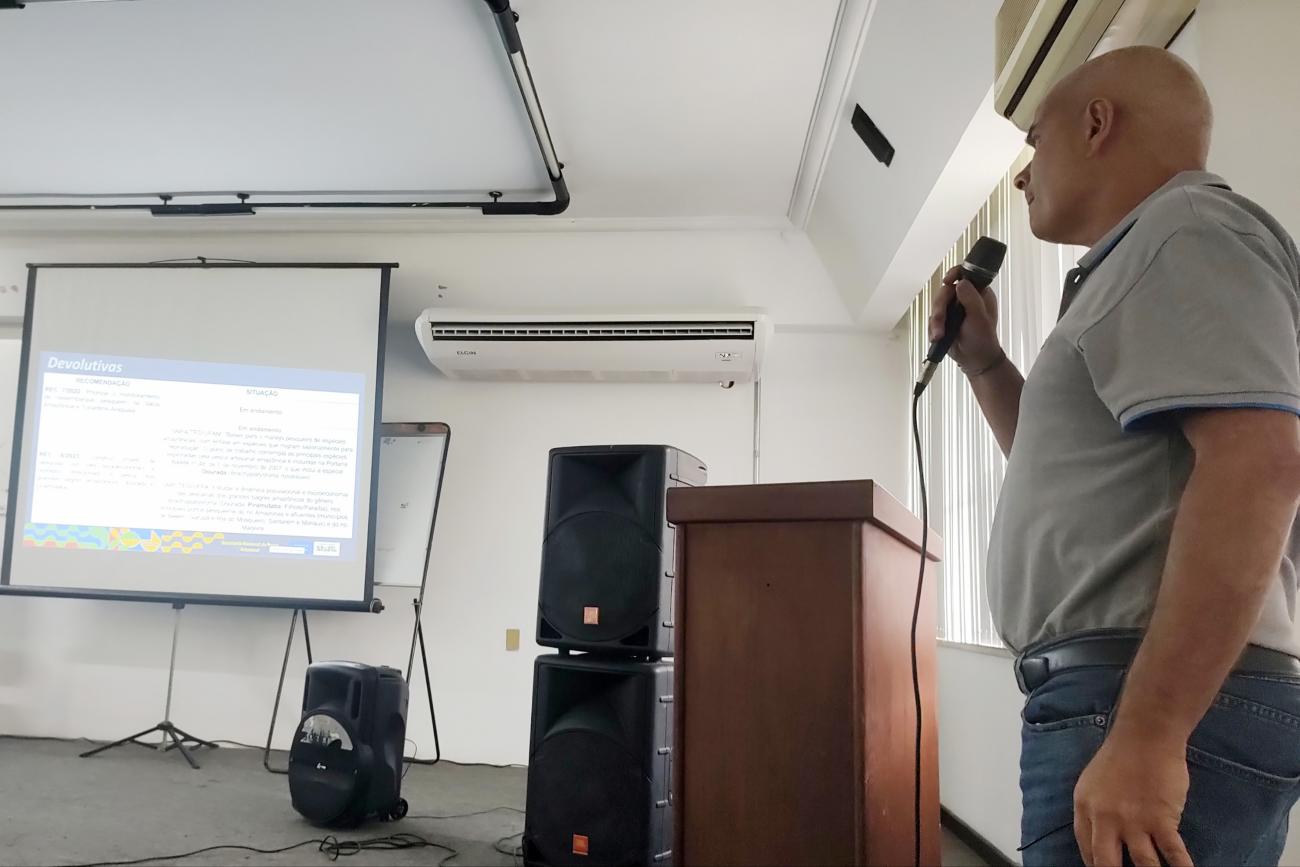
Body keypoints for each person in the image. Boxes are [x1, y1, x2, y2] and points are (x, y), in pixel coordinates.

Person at [931, 45, 1300, 867]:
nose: (1022, 176)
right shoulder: (1153, 253)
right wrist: (986, 364)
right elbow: (1076, 478)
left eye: (1035, 142)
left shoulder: (1185, 231)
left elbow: (1259, 466)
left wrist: (1151, 733)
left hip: (1143, 694)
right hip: (1127, 689)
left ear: (1097, 124)